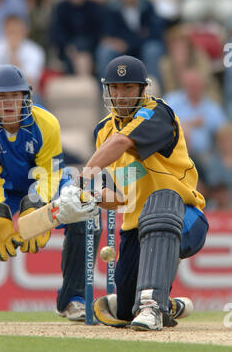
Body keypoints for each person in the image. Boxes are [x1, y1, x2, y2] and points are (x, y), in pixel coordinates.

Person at [0, 64, 101, 325]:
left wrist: (36, 207)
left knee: (84, 212)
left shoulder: (47, 123)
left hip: (45, 181)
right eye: (0, 97)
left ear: (25, 97)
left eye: (14, 95)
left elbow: (50, 173)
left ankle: (73, 299)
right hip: (5, 187)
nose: (8, 103)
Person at [69, 55, 209, 331]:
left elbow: (123, 142)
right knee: (123, 310)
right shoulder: (103, 131)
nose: (121, 96)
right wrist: (92, 198)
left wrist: (81, 179)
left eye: (129, 88)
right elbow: (122, 192)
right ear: (107, 90)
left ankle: (153, 307)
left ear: (143, 90)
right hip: (136, 227)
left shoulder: (157, 112)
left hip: (184, 215)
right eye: (116, 88)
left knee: (160, 204)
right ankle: (167, 304)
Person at [0, 14, 46, 104]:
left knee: (35, 98)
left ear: (25, 31)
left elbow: (32, 83)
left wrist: (14, 55)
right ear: (4, 30)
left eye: (17, 31)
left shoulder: (34, 51)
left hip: (23, 94)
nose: (13, 35)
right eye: (10, 31)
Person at [49, 0, 105, 76]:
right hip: (67, 48)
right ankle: (84, 81)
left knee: (83, 51)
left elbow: (99, 32)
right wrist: (68, 46)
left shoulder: (94, 7)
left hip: (91, 48)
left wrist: (86, 47)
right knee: (76, 54)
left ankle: (82, 82)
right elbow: (57, 32)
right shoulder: (61, 8)